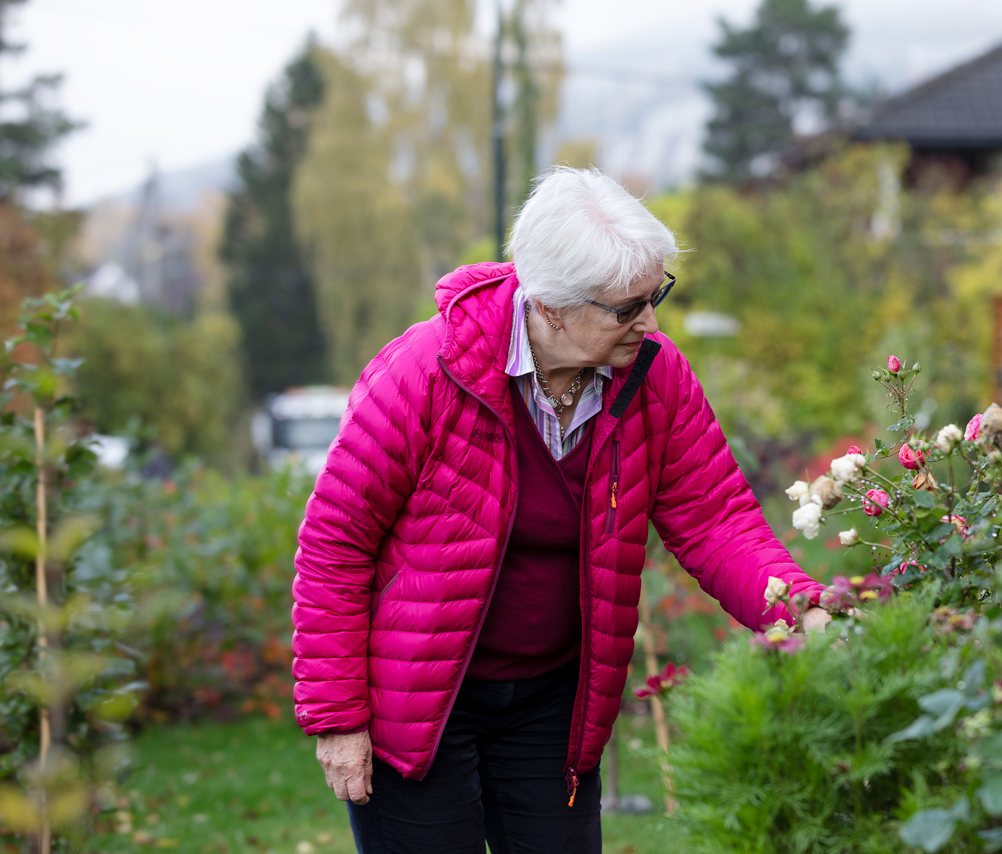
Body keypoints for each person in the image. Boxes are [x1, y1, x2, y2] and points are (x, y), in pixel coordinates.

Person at [292, 167, 830, 854]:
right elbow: (336, 545)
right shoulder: (425, 373)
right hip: (421, 699)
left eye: (654, 295)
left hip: (552, 699)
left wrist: (804, 609)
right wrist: (338, 718)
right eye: (626, 308)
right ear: (548, 306)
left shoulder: (654, 375)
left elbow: (715, 520)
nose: (651, 322)